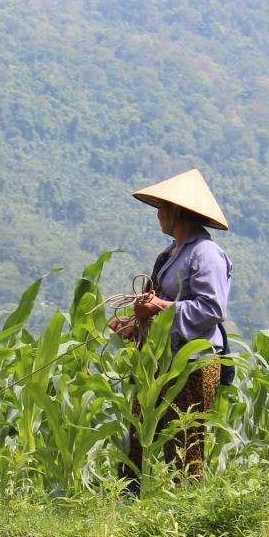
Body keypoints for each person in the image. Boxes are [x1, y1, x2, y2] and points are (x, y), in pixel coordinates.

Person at [111, 168, 233, 485]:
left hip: (193, 362)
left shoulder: (206, 254)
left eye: (162, 207)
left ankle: (186, 513)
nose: (158, 215)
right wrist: (134, 324)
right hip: (161, 359)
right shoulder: (169, 254)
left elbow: (211, 308)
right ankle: (130, 500)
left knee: (186, 442)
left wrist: (159, 307)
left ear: (178, 211)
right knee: (139, 433)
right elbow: (159, 307)